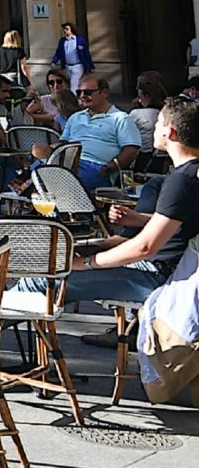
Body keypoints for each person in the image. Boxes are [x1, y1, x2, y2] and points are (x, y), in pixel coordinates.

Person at [17, 99, 196, 310]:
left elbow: (145, 247)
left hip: (160, 274)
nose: (154, 127)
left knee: (37, 281)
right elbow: (181, 221)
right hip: (174, 269)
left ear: (170, 133)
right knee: (53, 268)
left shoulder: (182, 180)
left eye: (158, 122)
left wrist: (87, 263)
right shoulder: (190, 175)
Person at [36, 76, 142, 186]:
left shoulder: (120, 118)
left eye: (87, 92)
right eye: (79, 93)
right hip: (69, 163)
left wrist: (109, 167)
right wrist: (50, 149)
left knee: (53, 179)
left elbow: (131, 151)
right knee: (37, 169)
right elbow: (64, 143)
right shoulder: (75, 117)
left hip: (96, 167)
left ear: (104, 93)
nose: (82, 96)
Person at [51, 21, 94, 93]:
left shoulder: (80, 40)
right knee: (68, 84)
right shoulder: (62, 41)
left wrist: (91, 66)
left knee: (74, 84)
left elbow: (86, 54)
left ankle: (74, 101)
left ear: (72, 30)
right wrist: (54, 61)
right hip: (67, 66)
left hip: (77, 66)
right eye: (64, 29)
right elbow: (58, 52)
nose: (65, 30)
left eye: (67, 29)